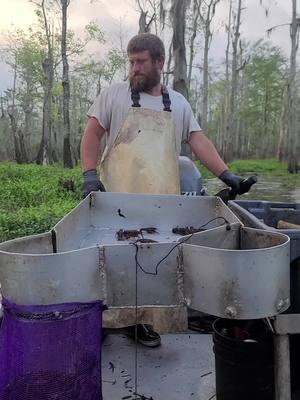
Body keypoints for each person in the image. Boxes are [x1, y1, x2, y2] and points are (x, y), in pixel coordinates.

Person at [80, 33, 245, 347]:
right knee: (109, 259)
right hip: (116, 200)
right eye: (131, 62)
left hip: (161, 204)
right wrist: (89, 174)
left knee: (158, 261)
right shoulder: (113, 95)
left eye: (141, 61)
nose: (134, 68)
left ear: (159, 63)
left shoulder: (178, 103)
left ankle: (143, 322)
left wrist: (227, 175)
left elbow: (199, 141)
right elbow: (92, 135)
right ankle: (102, 321)